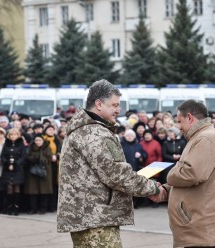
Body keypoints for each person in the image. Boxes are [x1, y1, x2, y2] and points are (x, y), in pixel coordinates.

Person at [57, 79, 161, 247]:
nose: (118, 110)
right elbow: (117, 175)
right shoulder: (95, 133)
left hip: (88, 217)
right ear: (98, 104)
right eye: (114, 105)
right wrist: (154, 188)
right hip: (95, 219)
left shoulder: (84, 129)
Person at [151, 100, 215, 248]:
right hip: (201, 227)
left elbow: (192, 174)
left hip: (203, 227)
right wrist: (166, 190)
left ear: (189, 117)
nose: (179, 127)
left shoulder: (205, 138)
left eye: (179, 121)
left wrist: (171, 174)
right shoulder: (202, 136)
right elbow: (196, 180)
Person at [25, 134, 53, 214]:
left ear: (43, 141)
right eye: (36, 140)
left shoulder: (47, 148)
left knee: (44, 191)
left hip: (45, 171)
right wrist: (34, 159)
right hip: (33, 171)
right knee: (33, 191)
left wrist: (40, 158)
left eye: (40, 140)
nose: (38, 142)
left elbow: (49, 158)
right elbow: (28, 157)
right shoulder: (31, 147)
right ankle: (33, 209)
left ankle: (43, 209)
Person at [1, 128, 26, 215]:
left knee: (17, 188)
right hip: (7, 169)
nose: (13, 136)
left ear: (18, 135)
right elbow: (2, 156)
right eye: (11, 135)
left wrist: (15, 164)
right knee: (9, 188)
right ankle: (9, 207)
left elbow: (23, 157)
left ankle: (16, 208)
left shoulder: (21, 144)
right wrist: (7, 163)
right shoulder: (6, 144)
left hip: (18, 169)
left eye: (15, 134)